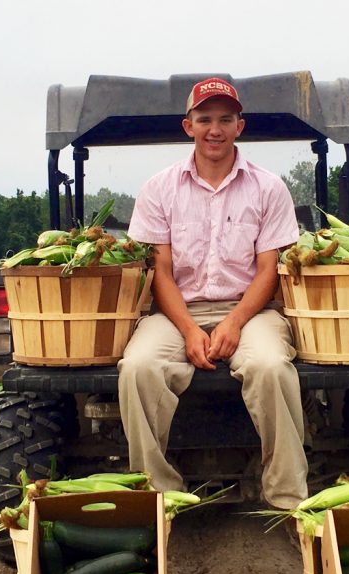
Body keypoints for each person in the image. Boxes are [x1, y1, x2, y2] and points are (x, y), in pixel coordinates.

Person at [117, 77, 308, 511]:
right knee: (138, 368)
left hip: (252, 310)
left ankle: (287, 499)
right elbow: (160, 271)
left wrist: (234, 323)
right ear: (189, 126)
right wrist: (188, 330)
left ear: (240, 126)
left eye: (225, 119)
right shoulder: (160, 188)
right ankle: (158, 497)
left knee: (271, 367)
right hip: (174, 310)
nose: (215, 129)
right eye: (205, 119)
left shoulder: (268, 188)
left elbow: (268, 271)